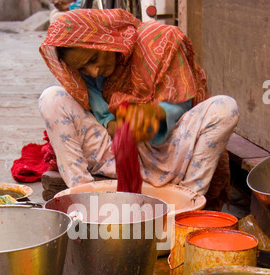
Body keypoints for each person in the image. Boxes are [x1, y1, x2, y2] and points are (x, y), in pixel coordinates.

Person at [39, 8, 239, 207]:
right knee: (51, 98)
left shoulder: (161, 40)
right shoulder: (89, 74)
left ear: (106, 38)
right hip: (116, 154)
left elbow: (181, 103)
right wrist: (117, 127)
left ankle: (188, 201)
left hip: (170, 150)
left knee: (225, 107)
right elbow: (102, 116)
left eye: (93, 59)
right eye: (83, 68)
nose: (93, 71)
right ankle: (84, 198)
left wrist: (154, 119)